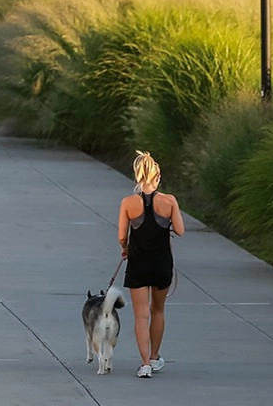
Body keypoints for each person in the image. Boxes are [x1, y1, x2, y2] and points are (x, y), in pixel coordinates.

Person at [118, 151, 185, 379]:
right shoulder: (169, 201)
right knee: (158, 310)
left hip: (137, 264)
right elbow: (180, 230)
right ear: (157, 177)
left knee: (141, 315)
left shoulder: (128, 202)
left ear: (137, 176)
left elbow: (121, 236)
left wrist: (125, 248)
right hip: (162, 264)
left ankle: (144, 363)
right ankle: (156, 357)